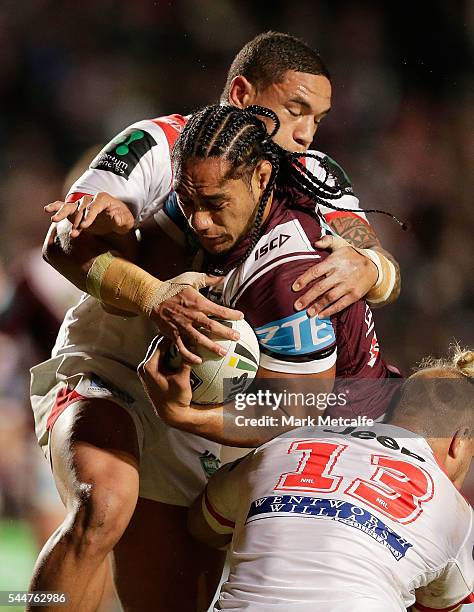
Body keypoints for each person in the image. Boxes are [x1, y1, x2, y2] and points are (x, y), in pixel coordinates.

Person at [30, 34, 400, 612]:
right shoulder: (156, 143)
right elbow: (61, 244)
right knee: (103, 505)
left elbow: (367, 256)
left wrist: (373, 266)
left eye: (318, 118)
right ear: (241, 93)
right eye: (296, 109)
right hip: (112, 367)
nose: (306, 132)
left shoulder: (311, 180)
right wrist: (154, 295)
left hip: (201, 406)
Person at [180, 347, 474, 612]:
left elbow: (199, 525)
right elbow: (440, 607)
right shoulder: (453, 511)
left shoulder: (281, 444)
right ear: (458, 442)